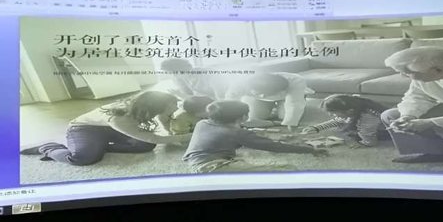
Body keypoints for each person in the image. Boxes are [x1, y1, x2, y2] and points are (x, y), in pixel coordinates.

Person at [20, 91, 189, 166]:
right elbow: (154, 137)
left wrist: (171, 133)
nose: (176, 107)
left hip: (111, 129)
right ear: (157, 105)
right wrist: (188, 137)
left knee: (145, 145)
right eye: (173, 104)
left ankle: (99, 147)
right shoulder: (120, 116)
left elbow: (162, 120)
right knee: (82, 159)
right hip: (84, 128)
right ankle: (49, 148)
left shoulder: (145, 109)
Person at [183, 100, 328, 173]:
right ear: (243, 117)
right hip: (211, 168)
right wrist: (309, 149)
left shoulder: (202, 123)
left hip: (194, 162)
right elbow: (273, 147)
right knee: (287, 169)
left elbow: (243, 131)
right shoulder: (236, 132)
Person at [226, 72, 314, 128]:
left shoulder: (296, 81)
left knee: (284, 117)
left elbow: (294, 103)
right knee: (255, 118)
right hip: (257, 99)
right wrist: (232, 120)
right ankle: (272, 110)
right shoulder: (239, 83)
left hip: (286, 97)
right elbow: (230, 104)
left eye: (266, 93)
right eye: (259, 93)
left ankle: (281, 108)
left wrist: (290, 123)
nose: (263, 95)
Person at [302, 94, 388, 147]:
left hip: (386, 131)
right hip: (369, 127)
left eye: (333, 113)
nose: (331, 115)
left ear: (349, 111)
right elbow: (337, 120)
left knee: (354, 133)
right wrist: (317, 127)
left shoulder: (367, 117)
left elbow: (369, 137)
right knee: (345, 125)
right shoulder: (353, 109)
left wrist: (364, 143)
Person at [159, 58, 227, 100]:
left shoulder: (209, 74)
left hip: (218, 102)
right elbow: (191, 96)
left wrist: (180, 95)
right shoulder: (181, 78)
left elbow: (221, 98)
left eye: (174, 73)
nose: (174, 76)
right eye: (171, 74)